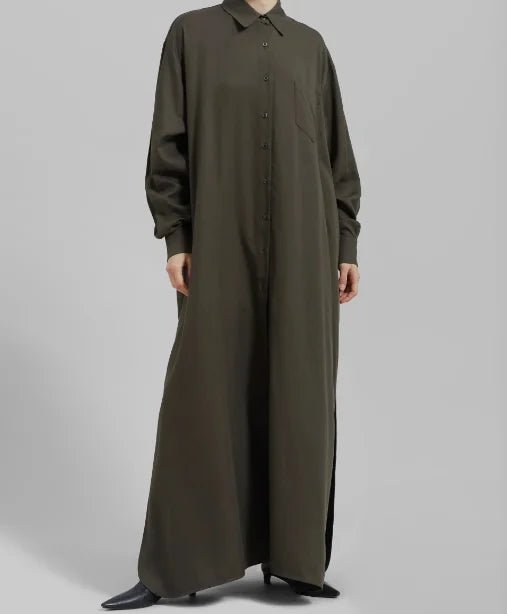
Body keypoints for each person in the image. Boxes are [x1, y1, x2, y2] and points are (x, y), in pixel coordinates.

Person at [101, 0, 361, 608]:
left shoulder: (310, 46)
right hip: (220, 245)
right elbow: (168, 144)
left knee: (300, 397)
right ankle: (175, 566)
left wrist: (346, 243)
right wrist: (177, 235)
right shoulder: (190, 34)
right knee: (203, 395)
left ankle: (294, 559)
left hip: (306, 249)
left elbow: (337, 158)